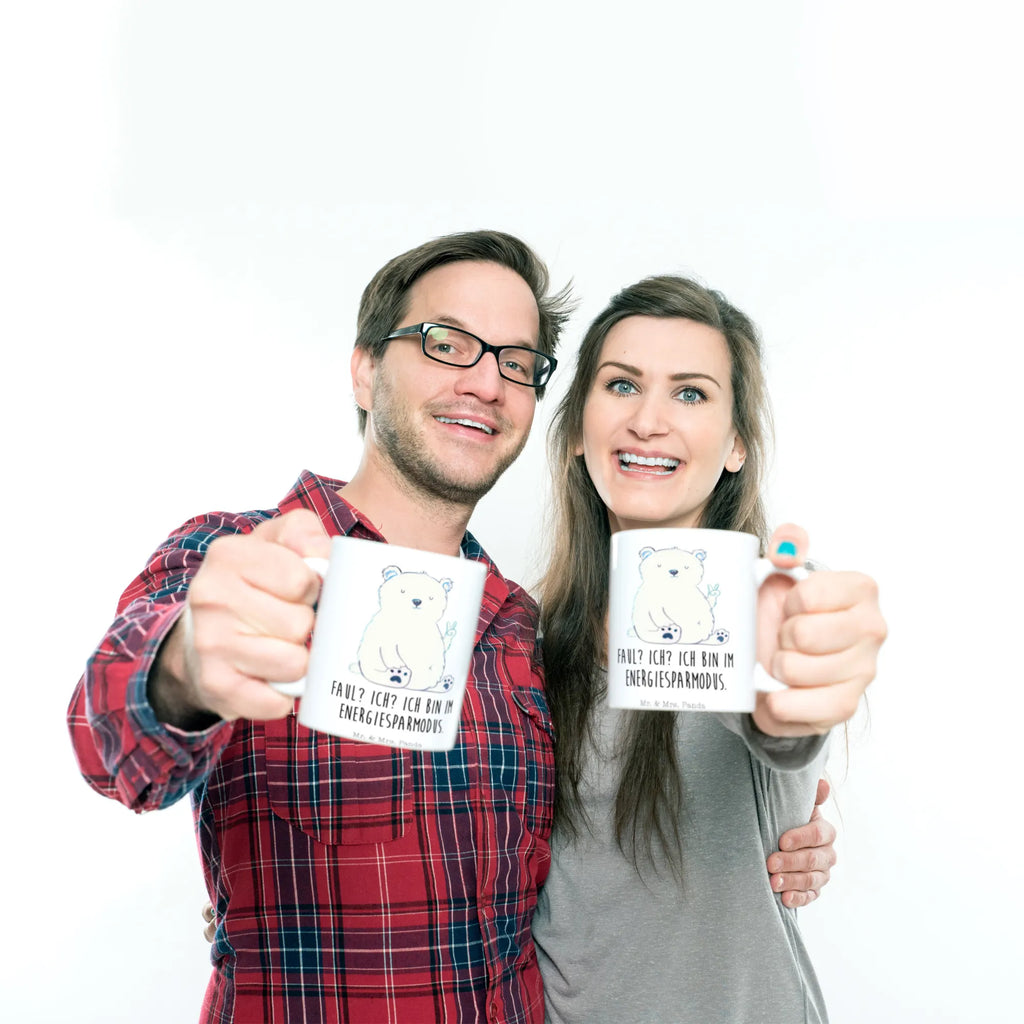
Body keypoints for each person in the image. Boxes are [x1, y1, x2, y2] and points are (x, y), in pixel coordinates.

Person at [69, 231, 849, 1023]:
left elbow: (769, 730)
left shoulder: (518, 631)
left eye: (515, 362)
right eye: (447, 344)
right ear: (366, 368)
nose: (484, 381)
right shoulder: (236, 559)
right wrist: (187, 670)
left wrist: (793, 795)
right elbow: (109, 741)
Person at [532, 276, 886, 1023]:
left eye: (690, 394)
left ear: (735, 447)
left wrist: (796, 688)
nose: (650, 420)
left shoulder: (768, 603)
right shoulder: (527, 641)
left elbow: (779, 719)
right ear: (574, 431)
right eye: (622, 385)